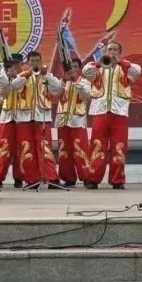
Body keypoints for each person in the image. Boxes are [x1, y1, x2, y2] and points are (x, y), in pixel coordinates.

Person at [82, 42, 141, 189]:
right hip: (100, 111)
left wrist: (120, 62)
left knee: (119, 146)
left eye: (115, 50)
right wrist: (100, 63)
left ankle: (117, 180)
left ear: (120, 52)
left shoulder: (126, 67)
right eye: (109, 50)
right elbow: (85, 71)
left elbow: (137, 71)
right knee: (97, 145)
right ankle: (93, 179)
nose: (112, 52)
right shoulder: (97, 67)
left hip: (120, 112)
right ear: (105, 52)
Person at [17, 51, 63, 186]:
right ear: (28, 63)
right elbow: (14, 86)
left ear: (41, 62)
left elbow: (57, 88)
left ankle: (52, 178)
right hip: (25, 118)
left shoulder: (47, 76)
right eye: (32, 61)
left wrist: (46, 75)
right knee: (27, 149)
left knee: (45, 149)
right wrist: (27, 73)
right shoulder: (22, 76)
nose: (35, 63)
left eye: (37, 61)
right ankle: (32, 180)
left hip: (42, 118)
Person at [55, 58, 92, 187]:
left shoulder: (84, 82)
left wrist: (75, 80)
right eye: (70, 67)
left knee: (80, 149)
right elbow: (55, 95)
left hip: (77, 120)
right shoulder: (62, 81)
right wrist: (63, 81)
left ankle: (86, 177)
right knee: (64, 149)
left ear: (80, 69)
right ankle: (69, 178)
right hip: (63, 119)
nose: (72, 70)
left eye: (75, 67)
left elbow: (87, 95)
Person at [0, 55, 25, 188]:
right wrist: (8, 80)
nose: (15, 67)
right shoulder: (3, 78)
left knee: (20, 148)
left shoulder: (26, 77)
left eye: (17, 64)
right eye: (12, 65)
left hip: (22, 116)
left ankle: (19, 177)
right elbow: (2, 95)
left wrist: (16, 78)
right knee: (3, 147)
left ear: (21, 64)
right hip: (7, 116)